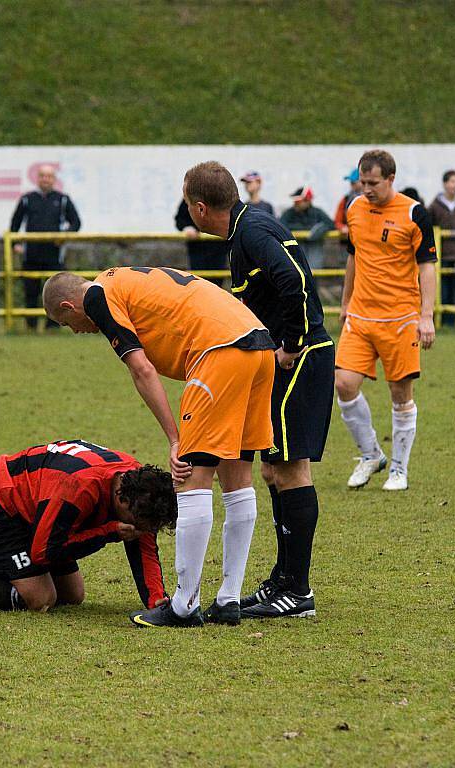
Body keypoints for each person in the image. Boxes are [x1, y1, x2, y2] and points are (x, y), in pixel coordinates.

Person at [43, 268, 276, 628]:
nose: (76, 331)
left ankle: (183, 605)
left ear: (68, 305)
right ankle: (229, 599)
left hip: (219, 350)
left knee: (190, 477)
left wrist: (175, 438)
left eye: (66, 323)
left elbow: (143, 370)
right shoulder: (123, 280)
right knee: (237, 475)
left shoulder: (97, 297)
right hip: (259, 346)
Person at [183, 161, 334, 620]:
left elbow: (295, 283)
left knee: (290, 471)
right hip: (283, 360)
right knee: (273, 471)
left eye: (187, 204)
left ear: (201, 207)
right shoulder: (244, 231)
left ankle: (298, 591)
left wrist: (291, 343)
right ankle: (282, 582)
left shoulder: (252, 232)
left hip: (301, 358)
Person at [0, 438, 176, 613]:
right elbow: (45, 552)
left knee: (72, 595)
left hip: (35, 514)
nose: (140, 530)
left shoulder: (137, 485)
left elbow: (143, 546)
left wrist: (156, 601)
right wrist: (107, 533)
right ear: (122, 499)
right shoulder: (80, 488)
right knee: (41, 599)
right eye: (138, 524)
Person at [335, 149, 437, 492]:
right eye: (362, 182)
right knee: (344, 384)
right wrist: (346, 301)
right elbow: (354, 257)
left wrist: (426, 316)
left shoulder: (413, 213)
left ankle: (398, 468)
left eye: (373, 183)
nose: (366, 189)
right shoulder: (354, 209)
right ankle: (371, 455)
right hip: (361, 316)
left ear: (390, 179)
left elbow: (427, 267)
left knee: (400, 394)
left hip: (401, 318)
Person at [10, 165, 81, 331]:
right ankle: (30, 326)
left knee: (55, 293)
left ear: (54, 179)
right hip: (31, 255)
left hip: (54, 256)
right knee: (31, 292)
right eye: (42, 176)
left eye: (49, 176)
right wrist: (16, 245)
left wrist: (64, 236)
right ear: (37, 178)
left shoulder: (63, 199)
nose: (45, 179)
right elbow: (15, 223)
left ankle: (53, 327)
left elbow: (76, 222)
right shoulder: (27, 199)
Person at [428, 170, 455, 327]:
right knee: (442, 290)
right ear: (445, 183)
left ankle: (451, 324)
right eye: (452, 181)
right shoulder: (434, 206)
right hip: (441, 255)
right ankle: (439, 323)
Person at [174, 200, 229, 286]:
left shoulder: (222, 193)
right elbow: (180, 219)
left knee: (217, 284)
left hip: (218, 248)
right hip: (198, 249)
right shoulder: (193, 194)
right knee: (199, 283)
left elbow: (231, 216)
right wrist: (187, 227)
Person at [280, 186, 334, 273]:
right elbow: (281, 225)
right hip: (296, 258)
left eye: (298, 201)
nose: (295, 204)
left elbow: (331, 224)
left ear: (307, 201)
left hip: (314, 259)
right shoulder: (289, 213)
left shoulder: (317, 213)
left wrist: (319, 230)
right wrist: (310, 230)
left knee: (313, 279)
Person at [334, 169, 362, 234]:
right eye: (351, 182)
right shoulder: (345, 199)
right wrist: (342, 228)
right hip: (348, 239)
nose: (351, 184)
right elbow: (337, 221)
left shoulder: (371, 199)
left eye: (354, 182)